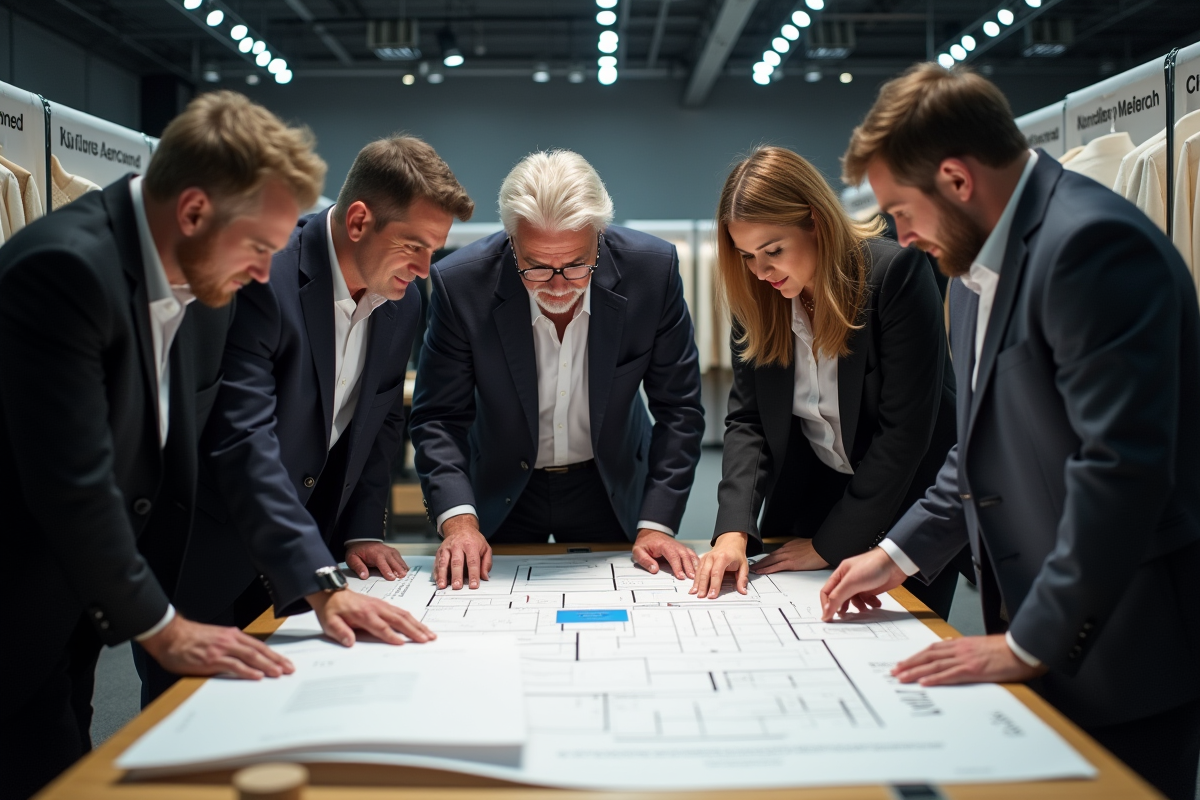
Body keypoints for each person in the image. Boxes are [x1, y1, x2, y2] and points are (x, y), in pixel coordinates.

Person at [819, 63, 1200, 800]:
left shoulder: (1089, 247)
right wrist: (896, 555)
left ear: (957, 180)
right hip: (1040, 627)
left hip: (1124, 645)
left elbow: (1120, 469)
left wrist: (1033, 641)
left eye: (900, 209)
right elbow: (980, 448)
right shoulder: (970, 270)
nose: (897, 234)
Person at [0, 91, 326, 800]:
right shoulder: (61, 271)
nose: (267, 273)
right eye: (260, 247)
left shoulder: (202, 284)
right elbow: (73, 482)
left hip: (76, 613)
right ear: (194, 211)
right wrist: (165, 627)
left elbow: (215, 443)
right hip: (16, 606)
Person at [136, 137, 473, 703]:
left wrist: (363, 526)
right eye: (413, 246)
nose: (422, 271)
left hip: (305, 555)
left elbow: (382, 418)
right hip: (211, 551)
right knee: (190, 732)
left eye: (432, 252)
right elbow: (243, 440)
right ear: (360, 220)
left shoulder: (404, 300)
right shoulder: (265, 275)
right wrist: (319, 578)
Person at [690, 146, 965, 619]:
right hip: (812, 499)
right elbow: (749, 419)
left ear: (815, 220)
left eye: (773, 251)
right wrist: (732, 530)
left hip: (904, 509)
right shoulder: (758, 295)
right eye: (747, 255)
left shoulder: (894, 275)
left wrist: (830, 545)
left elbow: (904, 433)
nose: (761, 271)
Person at [410, 150, 705, 590]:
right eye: (536, 267)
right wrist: (458, 523)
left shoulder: (652, 271)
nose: (558, 285)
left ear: (599, 237)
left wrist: (657, 522)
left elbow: (679, 408)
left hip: (610, 482)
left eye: (575, 265)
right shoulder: (461, 285)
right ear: (511, 241)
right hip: (499, 484)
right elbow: (439, 418)